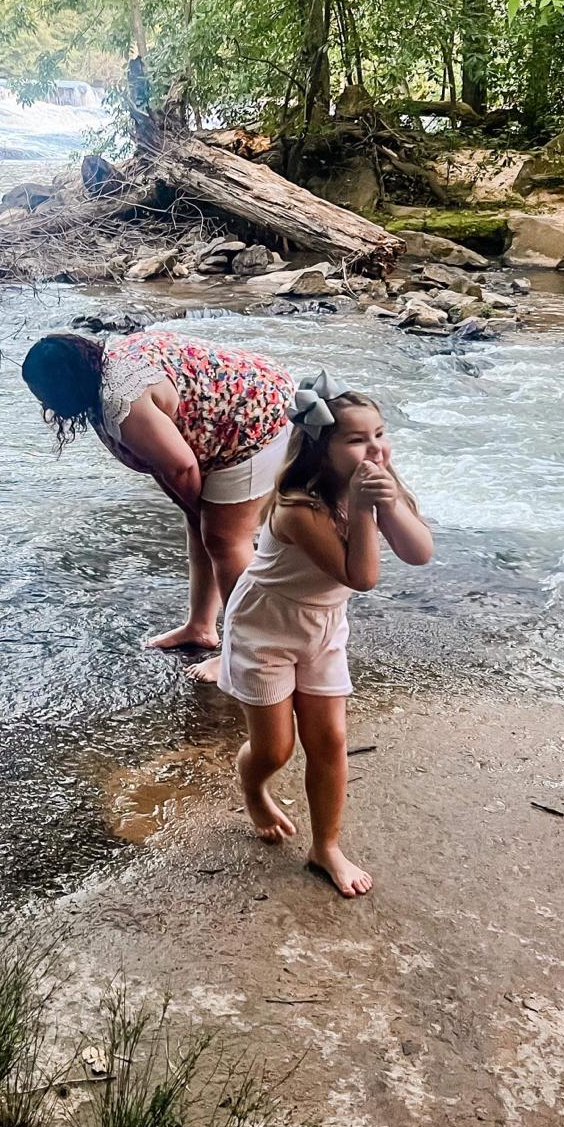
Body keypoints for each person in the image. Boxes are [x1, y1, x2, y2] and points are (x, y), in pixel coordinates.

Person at [202, 370, 433, 897]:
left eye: (379, 434)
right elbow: (361, 577)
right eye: (356, 440)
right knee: (276, 749)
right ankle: (254, 788)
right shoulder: (297, 508)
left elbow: (419, 552)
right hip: (265, 626)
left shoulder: (378, 484)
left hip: (324, 627)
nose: (374, 449)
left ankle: (326, 846)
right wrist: (366, 509)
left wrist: (388, 502)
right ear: (319, 449)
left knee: (330, 740)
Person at [21, 329, 294, 670]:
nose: (46, 406)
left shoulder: (121, 401)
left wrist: (198, 509)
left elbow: (181, 467)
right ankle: (201, 628)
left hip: (257, 419)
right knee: (202, 528)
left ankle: (249, 653)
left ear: (65, 387)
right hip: (249, 396)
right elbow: (161, 463)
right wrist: (193, 510)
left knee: (225, 540)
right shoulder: (101, 370)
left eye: (45, 396)